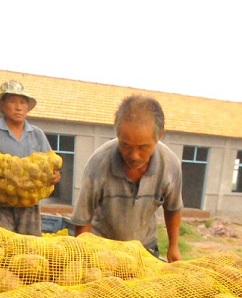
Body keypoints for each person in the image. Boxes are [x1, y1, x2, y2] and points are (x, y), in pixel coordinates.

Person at [70, 95, 183, 262]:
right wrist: (83, 257)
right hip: (104, 249)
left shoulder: (170, 165)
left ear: (159, 135)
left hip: (145, 249)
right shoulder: (99, 163)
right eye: (125, 145)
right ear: (117, 134)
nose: (134, 156)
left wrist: (173, 246)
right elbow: (83, 218)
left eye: (143, 147)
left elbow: (173, 208)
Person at [0, 80, 59, 236]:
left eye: (23, 102)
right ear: (3, 105)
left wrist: (55, 175)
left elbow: (51, 166)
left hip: (29, 205)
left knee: (30, 246)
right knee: (3, 244)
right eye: (13, 101)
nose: (18, 107)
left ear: (28, 107)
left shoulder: (37, 134)